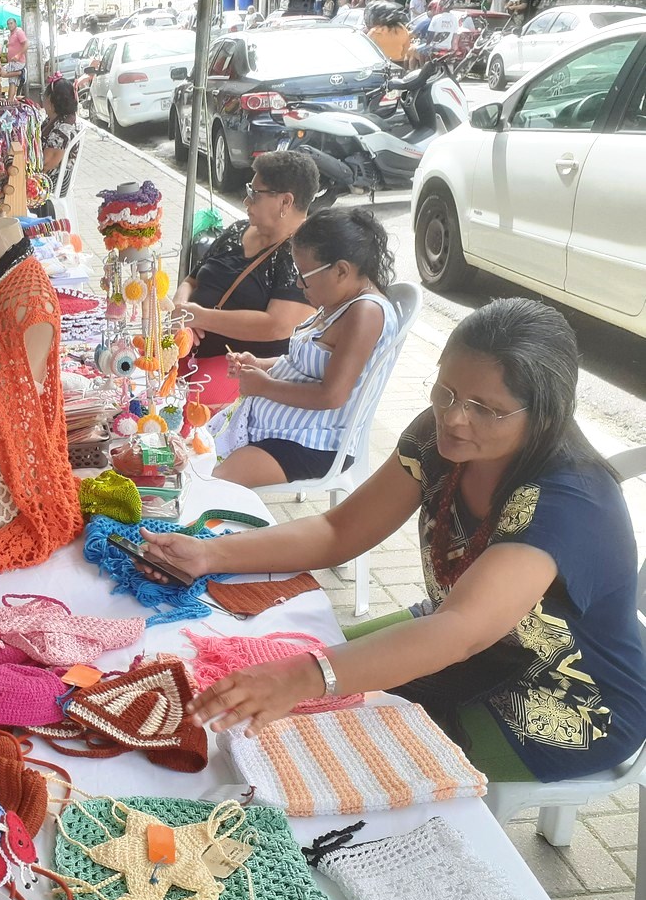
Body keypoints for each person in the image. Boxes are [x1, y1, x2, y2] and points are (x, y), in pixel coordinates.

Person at [145, 298, 646, 783]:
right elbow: (340, 530)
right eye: (446, 391)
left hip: (563, 698)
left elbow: (460, 632)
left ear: (544, 415)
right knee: (276, 670)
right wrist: (209, 553)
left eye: (485, 409)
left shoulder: (567, 502)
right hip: (457, 636)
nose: (454, 417)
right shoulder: (440, 437)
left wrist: (300, 678)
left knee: (316, 752)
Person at [214, 207, 401, 486]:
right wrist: (261, 364)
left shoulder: (365, 314)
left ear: (341, 271)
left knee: (214, 483)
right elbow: (302, 364)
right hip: (284, 429)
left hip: (312, 443)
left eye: (304, 274)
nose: (298, 283)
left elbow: (332, 396)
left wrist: (264, 386)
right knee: (195, 459)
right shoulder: (337, 302)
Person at [172, 150, 318, 360]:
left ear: (286, 202)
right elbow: (191, 281)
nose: (246, 201)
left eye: (254, 193)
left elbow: (276, 326)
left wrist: (200, 317)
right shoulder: (237, 230)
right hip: (186, 354)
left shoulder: (304, 256)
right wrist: (180, 313)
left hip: (240, 369)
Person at [37, 77, 82, 215]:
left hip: (56, 181)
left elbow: (46, 164)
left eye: (44, 97)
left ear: (51, 102)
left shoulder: (63, 128)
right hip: (53, 176)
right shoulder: (56, 120)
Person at [3, 16, 28, 96]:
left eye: (11, 23)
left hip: (18, 61)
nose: (9, 25)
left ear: (15, 24)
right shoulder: (11, 34)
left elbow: (26, 44)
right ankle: (11, 99)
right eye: (8, 24)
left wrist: (18, 55)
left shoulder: (19, 32)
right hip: (12, 61)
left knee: (4, 74)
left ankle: (20, 73)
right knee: (12, 81)